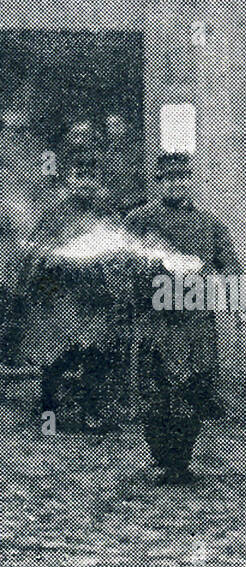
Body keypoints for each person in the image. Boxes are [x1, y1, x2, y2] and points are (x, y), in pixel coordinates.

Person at [125, 152, 234, 485]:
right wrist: (156, 272)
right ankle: (161, 458)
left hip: (196, 319)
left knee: (195, 384)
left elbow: (230, 267)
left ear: (191, 182)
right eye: (170, 179)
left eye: (183, 178)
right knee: (156, 386)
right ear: (160, 183)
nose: (177, 184)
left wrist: (212, 282)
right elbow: (121, 265)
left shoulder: (210, 223)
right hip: (156, 317)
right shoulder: (140, 220)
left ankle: (182, 459)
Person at [17, 147, 131, 432]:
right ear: (69, 178)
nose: (86, 182)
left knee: (96, 354)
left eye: (91, 176)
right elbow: (34, 251)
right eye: (80, 176)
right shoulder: (55, 213)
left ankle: (91, 412)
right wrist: (54, 258)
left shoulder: (107, 212)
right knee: (57, 357)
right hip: (61, 296)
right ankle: (48, 414)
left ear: (98, 180)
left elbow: (121, 250)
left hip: (94, 296)